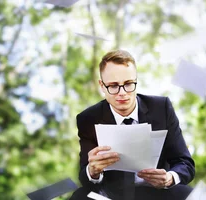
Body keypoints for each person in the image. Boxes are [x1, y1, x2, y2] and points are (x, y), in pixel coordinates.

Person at [70, 50, 195, 200]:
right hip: (113, 194)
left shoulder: (161, 108)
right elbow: (85, 177)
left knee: (192, 196)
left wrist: (169, 178)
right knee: (80, 196)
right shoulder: (88, 118)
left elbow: (185, 162)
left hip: (158, 193)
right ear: (102, 86)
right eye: (113, 86)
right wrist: (92, 171)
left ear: (136, 81)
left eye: (128, 84)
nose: (122, 93)